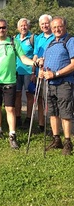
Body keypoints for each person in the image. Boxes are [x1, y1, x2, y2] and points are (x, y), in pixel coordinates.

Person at [0, 19, 41, 149]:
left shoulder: (13, 42)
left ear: (7, 28)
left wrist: (34, 62)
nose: (1, 30)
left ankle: (12, 135)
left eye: (3, 27)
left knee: (10, 108)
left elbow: (23, 58)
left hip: (10, 80)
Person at [41, 16, 74, 155]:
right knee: (52, 112)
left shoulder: (70, 41)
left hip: (64, 83)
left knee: (65, 113)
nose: (56, 29)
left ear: (64, 26)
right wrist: (42, 68)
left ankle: (67, 142)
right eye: (54, 27)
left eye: (59, 27)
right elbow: (45, 60)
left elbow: (73, 64)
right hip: (49, 83)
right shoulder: (50, 43)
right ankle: (56, 140)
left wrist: (56, 74)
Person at [32, 14, 55, 132]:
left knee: (50, 100)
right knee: (40, 99)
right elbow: (35, 53)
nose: (44, 26)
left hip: (51, 73)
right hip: (39, 72)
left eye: (46, 23)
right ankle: (41, 124)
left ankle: (52, 126)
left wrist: (44, 60)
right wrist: (35, 62)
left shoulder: (55, 37)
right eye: (42, 24)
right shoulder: (38, 38)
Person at [14, 18, 35, 128]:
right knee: (17, 95)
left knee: (29, 95)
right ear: (18, 28)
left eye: (25, 25)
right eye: (21, 26)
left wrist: (33, 72)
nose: (23, 27)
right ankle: (17, 118)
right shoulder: (14, 39)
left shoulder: (32, 38)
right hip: (17, 72)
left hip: (28, 72)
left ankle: (28, 118)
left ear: (28, 27)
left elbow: (35, 55)